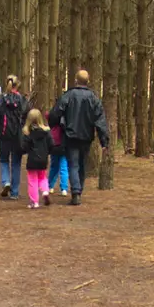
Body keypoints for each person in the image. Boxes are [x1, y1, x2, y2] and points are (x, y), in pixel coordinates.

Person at [49, 68, 109, 205]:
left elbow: (56, 112)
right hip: (86, 137)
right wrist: (104, 141)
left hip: (71, 135)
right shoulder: (93, 98)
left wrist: (53, 124)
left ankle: (76, 192)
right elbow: (100, 121)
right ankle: (78, 191)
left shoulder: (69, 95)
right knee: (81, 164)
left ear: (76, 80)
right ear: (88, 81)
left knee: (74, 164)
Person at [0, 75, 29, 198]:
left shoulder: (0, 100)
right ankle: (14, 192)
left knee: (4, 159)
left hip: (4, 135)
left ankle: (6, 181)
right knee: (16, 163)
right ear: (18, 85)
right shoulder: (23, 101)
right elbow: (28, 118)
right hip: (18, 135)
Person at [20, 108, 52, 208]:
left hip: (32, 160)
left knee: (32, 180)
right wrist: (47, 152)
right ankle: (45, 192)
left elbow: (24, 147)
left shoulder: (28, 133)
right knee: (42, 177)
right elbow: (51, 144)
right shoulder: (46, 132)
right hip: (43, 159)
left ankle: (34, 202)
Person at [48, 114, 69, 198]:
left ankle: (50, 186)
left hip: (55, 145)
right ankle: (64, 188)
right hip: (63, 146)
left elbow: (47, 116)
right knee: (64, 168)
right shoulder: (67, 117)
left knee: (54, 167)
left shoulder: (54, 115)